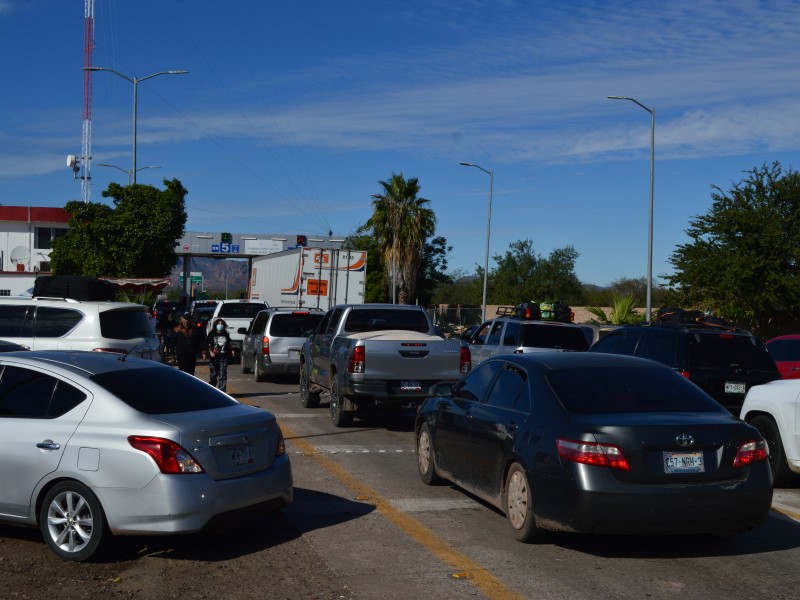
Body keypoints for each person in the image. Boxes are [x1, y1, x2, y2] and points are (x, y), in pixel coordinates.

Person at [205, 318, 233, 392]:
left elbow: (228, 343)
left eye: (222, 324)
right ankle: (212, 391)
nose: (220, 325)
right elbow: (207, 344)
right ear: (215, 325)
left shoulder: (226, 334)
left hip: (223, 357)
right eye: (219, 324)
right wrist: (210, 352)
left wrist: (232, 350)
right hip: (214, 358)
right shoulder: (212, 333)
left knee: (222, 375)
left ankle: (222, 391)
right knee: (213, 376)